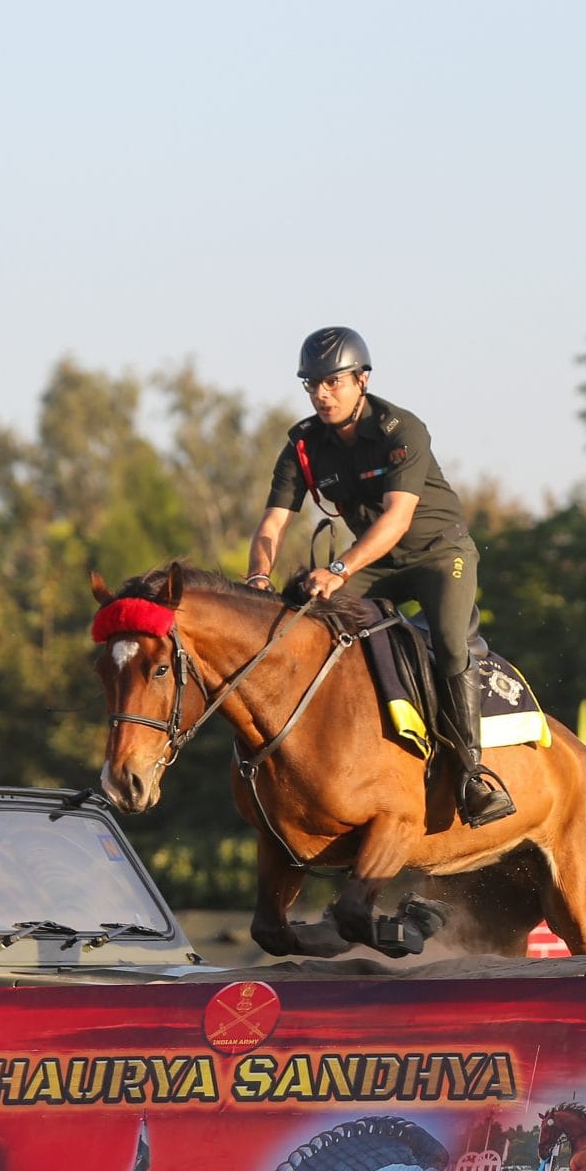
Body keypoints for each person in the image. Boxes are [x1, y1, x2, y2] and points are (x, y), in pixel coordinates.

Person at [247, 326, 516, 826]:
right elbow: (273, 522)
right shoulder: (303, 447)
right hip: (375, 563)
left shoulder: (402, 430)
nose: (321, 394)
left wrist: (338, 569)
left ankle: (472, 775)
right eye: (311, 384)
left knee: (451, 643)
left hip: (439, 555)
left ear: (362, 380)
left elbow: (395, 521)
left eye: (333, 382)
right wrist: (258, 576)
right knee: (308, 615)